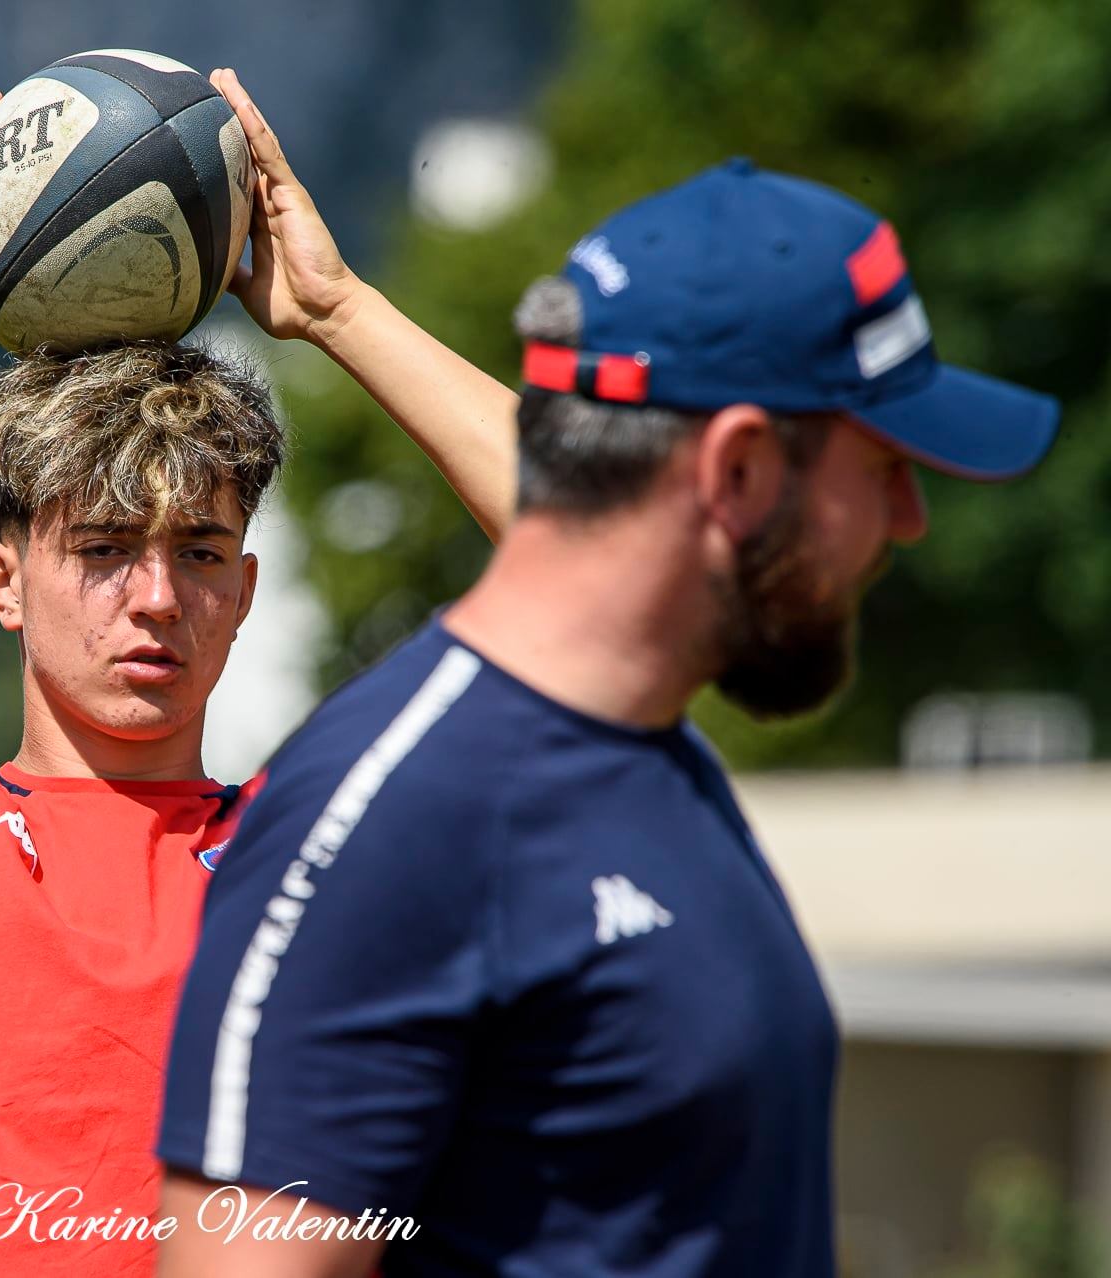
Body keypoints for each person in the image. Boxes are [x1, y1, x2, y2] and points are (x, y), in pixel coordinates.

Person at [156, 159, 1060, 1277]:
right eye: (882, 465)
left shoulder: (647, 747)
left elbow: (574, 537)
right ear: (736, 469)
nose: (910, 520)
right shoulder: (393, 820)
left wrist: (339, 310)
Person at [0, 69, 518, 1276]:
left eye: (199, 552)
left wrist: (341, 311)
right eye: (99, 550)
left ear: (242, 593)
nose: (155, 597)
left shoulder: (324, 851)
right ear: (1, 582)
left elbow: (605, 553)